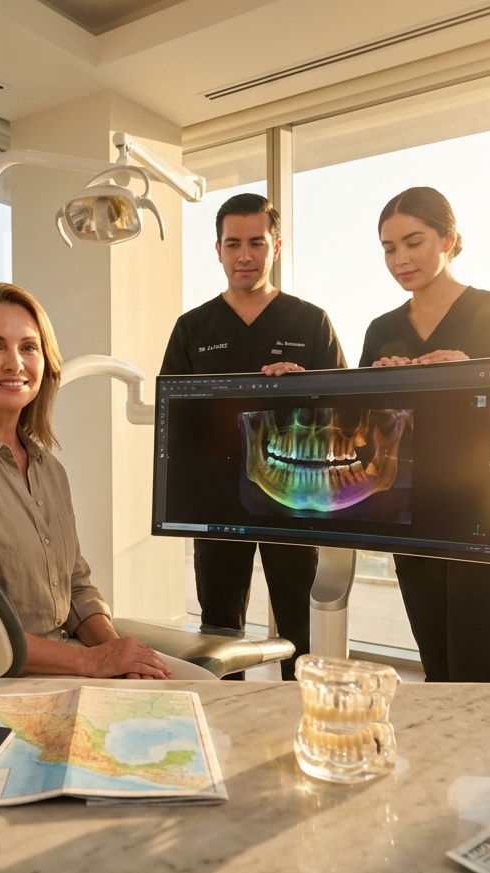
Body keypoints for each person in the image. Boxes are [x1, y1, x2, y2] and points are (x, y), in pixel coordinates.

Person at [0, 283, 211, 680]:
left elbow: (77, 588)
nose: (15, 363)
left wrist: (115, 653)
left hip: (67, 658)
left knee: (204, 684)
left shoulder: (48, 468)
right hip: (0, 678)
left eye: (29, 347)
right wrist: (93, 662)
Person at [361, 186, 490, 682]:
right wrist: (384, 391)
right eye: (389, 248)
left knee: (475, 672)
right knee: (436, 672)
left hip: (482, 516)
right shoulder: (380, 328)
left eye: (413, 241)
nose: (400, 259)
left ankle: (482, 763)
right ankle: (443, 763)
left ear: (449, 241)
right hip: (414, 518)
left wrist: (473, 373)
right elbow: (367, 433)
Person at [161, 193, 345, 679]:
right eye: (233, 243)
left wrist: (305, 387)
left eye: (256, 243)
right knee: (220, 630)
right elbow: (174, 420)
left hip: (295, 499)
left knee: (297, 627)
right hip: (218, 501)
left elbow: (346, 412)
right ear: (218, 250)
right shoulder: (192, 328)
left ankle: (301, 725)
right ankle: (227, 725)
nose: (245, 255)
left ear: (276, 247)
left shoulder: (311, 321)